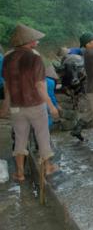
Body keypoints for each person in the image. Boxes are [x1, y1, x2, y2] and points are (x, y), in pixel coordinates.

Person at [0, 24, 60, 181]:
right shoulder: (35, 58)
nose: (37, 42)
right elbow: (40, 86)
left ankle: (19, 173)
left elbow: (7, 86)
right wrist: (52, 106)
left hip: (16, 106)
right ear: (30, 41)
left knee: (20, 138)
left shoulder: (7, 58)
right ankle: (47, 167)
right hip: (35, 105)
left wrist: (5, 106)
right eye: (35, 40)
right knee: (42, 135)